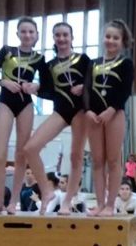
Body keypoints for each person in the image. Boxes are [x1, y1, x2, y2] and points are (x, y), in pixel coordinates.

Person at [23, 22, 90, 216]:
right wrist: (36, 89)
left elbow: (93, 82)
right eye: (58, 35)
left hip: (80, 111)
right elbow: (49, 91)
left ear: (72, 37)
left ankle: (67, 201)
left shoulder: (83, 59)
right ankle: (46, 191)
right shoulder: (49, 65)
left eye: (65, 35)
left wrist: (84, 87)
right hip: (61, 110)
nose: (61, 38)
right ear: (53, 38)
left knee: (76, 156)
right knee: (30, 148)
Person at [0, 17, 46, 214]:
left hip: (25, 104)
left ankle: (13, 202)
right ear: (17, 33)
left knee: (21, 154)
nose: (27, 35)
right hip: (6, 101)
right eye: (24, 31)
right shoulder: (7, 51)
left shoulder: (39, 58)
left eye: (31, 32)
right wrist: (3, 82)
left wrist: (35, 86)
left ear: (36, 35)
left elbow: (47, 86)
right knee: (0, 154)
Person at [86, 20, 134, 217]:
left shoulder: (126, 63)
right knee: (97, 161)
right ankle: (99, 203)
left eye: (115, 38)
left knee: (113, 161)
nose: (111, 41)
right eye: (108, 36)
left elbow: (125, 90)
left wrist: (111, 110)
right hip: (94, 115)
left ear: (122, 41)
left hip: (114, 114)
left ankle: (110, 204)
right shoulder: (93, 63)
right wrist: (87, 110)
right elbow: (87, 89)